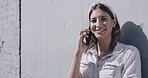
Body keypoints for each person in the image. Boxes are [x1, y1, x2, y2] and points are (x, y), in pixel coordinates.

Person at [67, 2, 141, 78]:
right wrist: (78, 52)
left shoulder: (128, 54)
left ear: (114, 23)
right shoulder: (85, 56)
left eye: (103, 19)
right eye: (93, 20)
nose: (98, 25)